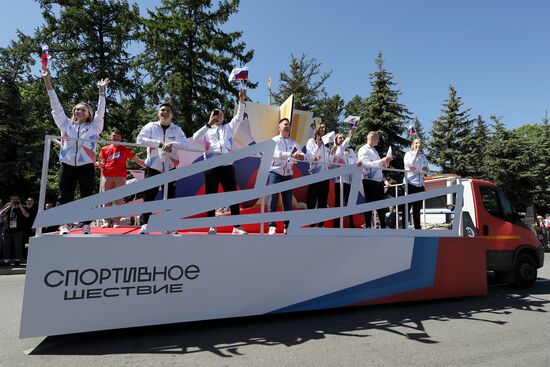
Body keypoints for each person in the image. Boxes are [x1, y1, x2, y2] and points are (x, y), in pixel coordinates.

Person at [41, 67, 110, 235]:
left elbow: (100, 114)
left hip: (86, 165)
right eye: (77, 109)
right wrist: (47, 81)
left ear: (88, 114)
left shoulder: (94, 127)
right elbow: (56, 106)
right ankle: (63, 223)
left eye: (83, 109)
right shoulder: (65, 124)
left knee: (87, 195)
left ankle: (86, 224)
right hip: (67, 164)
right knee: (65, 195)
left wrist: (101, 93)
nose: (79, 111)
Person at [192, 89, 248, 235]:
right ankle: (212, 225)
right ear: (210, 116)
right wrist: (208, 124)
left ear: (223, 116)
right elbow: (195, 138)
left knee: (232, 195)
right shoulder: (207, 130)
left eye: (220, 113)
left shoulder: (229, 128)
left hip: (227, 165)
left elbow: (239, 117)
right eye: (214, 113)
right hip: (211, 165)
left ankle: (236, 226)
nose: (217, 116)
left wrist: (241, 101)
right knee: (211, 195)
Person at [136, 103, 190, 234]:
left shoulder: (176, 129)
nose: (165, 112)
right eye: (162, 110)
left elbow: (186, 144)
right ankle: (145, 224)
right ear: (158, 113)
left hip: (170, 167)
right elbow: (140, 140)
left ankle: (169, 224)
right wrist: (159, 144)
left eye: (168, 111)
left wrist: (172, 144)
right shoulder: (151, 126)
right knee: (149, 195)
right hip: (153, 166)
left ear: (171, 115)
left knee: (170, 196)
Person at [98, 128, 146, 227]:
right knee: (107, 200)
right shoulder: (104, 149)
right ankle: (107, 221)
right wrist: (98, 164)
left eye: (117, 136)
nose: (115, 137)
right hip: (107, 176)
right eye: (113, 136)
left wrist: (148, 167)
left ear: (121, 137)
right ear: (110, 137)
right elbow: (102, 162)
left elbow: (135, 159)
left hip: (120, 176)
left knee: (119, 200)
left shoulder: (125, 149)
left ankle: (116, 221)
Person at [267, 118, 305, 235]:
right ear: (279, 127)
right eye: (285, 124)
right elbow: (275, 154)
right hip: (275, 173)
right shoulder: (274, 140)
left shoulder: (293, 143)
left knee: (287, 201)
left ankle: (287, 227)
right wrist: (290, 155)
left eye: (289, 125)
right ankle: (271, 226)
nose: (288, 126)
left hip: (288, 174)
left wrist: (301, 156)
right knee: (272, 199)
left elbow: (302, 154)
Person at [357, 131, 393, 228]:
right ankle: (368, 226)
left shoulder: (375, 151)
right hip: (369, 179)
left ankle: (383, 226)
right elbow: (365, 164)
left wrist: (385, 163)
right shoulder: (363, 150)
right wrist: (381, 161)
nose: (379, 140)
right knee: (369, 203)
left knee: (380, 205)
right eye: (377, 138)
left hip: (378, 180)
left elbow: (377, 166)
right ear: (372, 138)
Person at [330, 129, 360, 228]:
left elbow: (355, 162)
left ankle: (351, 224)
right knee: (339, 204)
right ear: (336, 140)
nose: (342, 139)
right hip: (340, 180)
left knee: (350, 204)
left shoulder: (350, 151)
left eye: (343, 137)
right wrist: (349, 135)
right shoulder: (336, 150)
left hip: (349, 181)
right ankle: (336, 225)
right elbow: (333, 162)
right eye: (340, 138)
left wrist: (358, 164)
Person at [305, 121, 331, 227]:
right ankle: (311, 224)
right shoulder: (311, 141)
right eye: (321, 128)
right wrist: (318, 145)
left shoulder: (328, 143)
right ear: (317, 129)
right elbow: (309, 156)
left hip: (326, 176)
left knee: (323, 201)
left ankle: (321, 224)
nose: (324, 129)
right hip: (315, 175)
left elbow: (329, 160)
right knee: (311, 200)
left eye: (325, 128)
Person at [404, 137, 430, 229]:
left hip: (420, 185)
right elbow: (410, 163)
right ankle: (404, 227)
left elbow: (426, 168)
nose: (418, 145)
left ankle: (418, 228)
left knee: (417, 209)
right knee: (407, 207)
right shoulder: (408, 154)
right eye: (416, 143)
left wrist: (426, 169)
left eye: (419, 143)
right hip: (411, 184)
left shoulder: (423, 156)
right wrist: (415, 153)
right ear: (412, 145)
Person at [1, 195, 29, 267]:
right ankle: (6, 261)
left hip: (18, 230)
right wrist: (9, 206)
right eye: (14, 199)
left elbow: (27, 215)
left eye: (17, 199)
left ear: (19, 200)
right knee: (6, 245)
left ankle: (17, 260)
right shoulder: (8, 206)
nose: (15, 201)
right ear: (11, 200)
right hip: (7, 229)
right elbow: (1, 214)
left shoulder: (22, 207)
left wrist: (20, 206)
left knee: (18, 246)